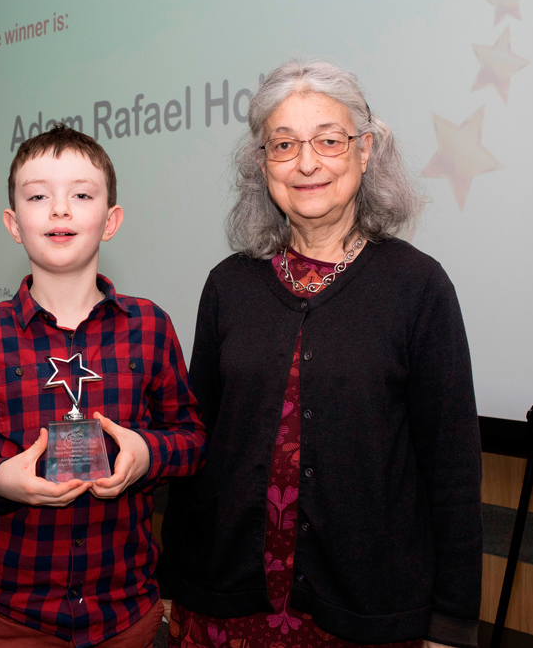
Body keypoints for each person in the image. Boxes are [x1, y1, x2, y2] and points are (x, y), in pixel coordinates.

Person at [159, 60, 482, 648]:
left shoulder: (419, 286)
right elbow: (198, 446)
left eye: (329, 141)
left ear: (365, 152)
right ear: (262, 164)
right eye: (284, 145)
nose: (307, 163)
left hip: (366, 614)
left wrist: (451, 622)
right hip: (226, 606)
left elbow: (453, 470)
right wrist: (171, 577)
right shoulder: (227, 285)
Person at [0, 124, 206, 647]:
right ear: (13, 224)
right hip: (8, 615)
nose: (60, 210)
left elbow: (192, 438)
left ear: (110, 221)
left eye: (81, 195)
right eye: (39, 196)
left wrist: (147, 453)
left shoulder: (151, 328)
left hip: (124, 612)